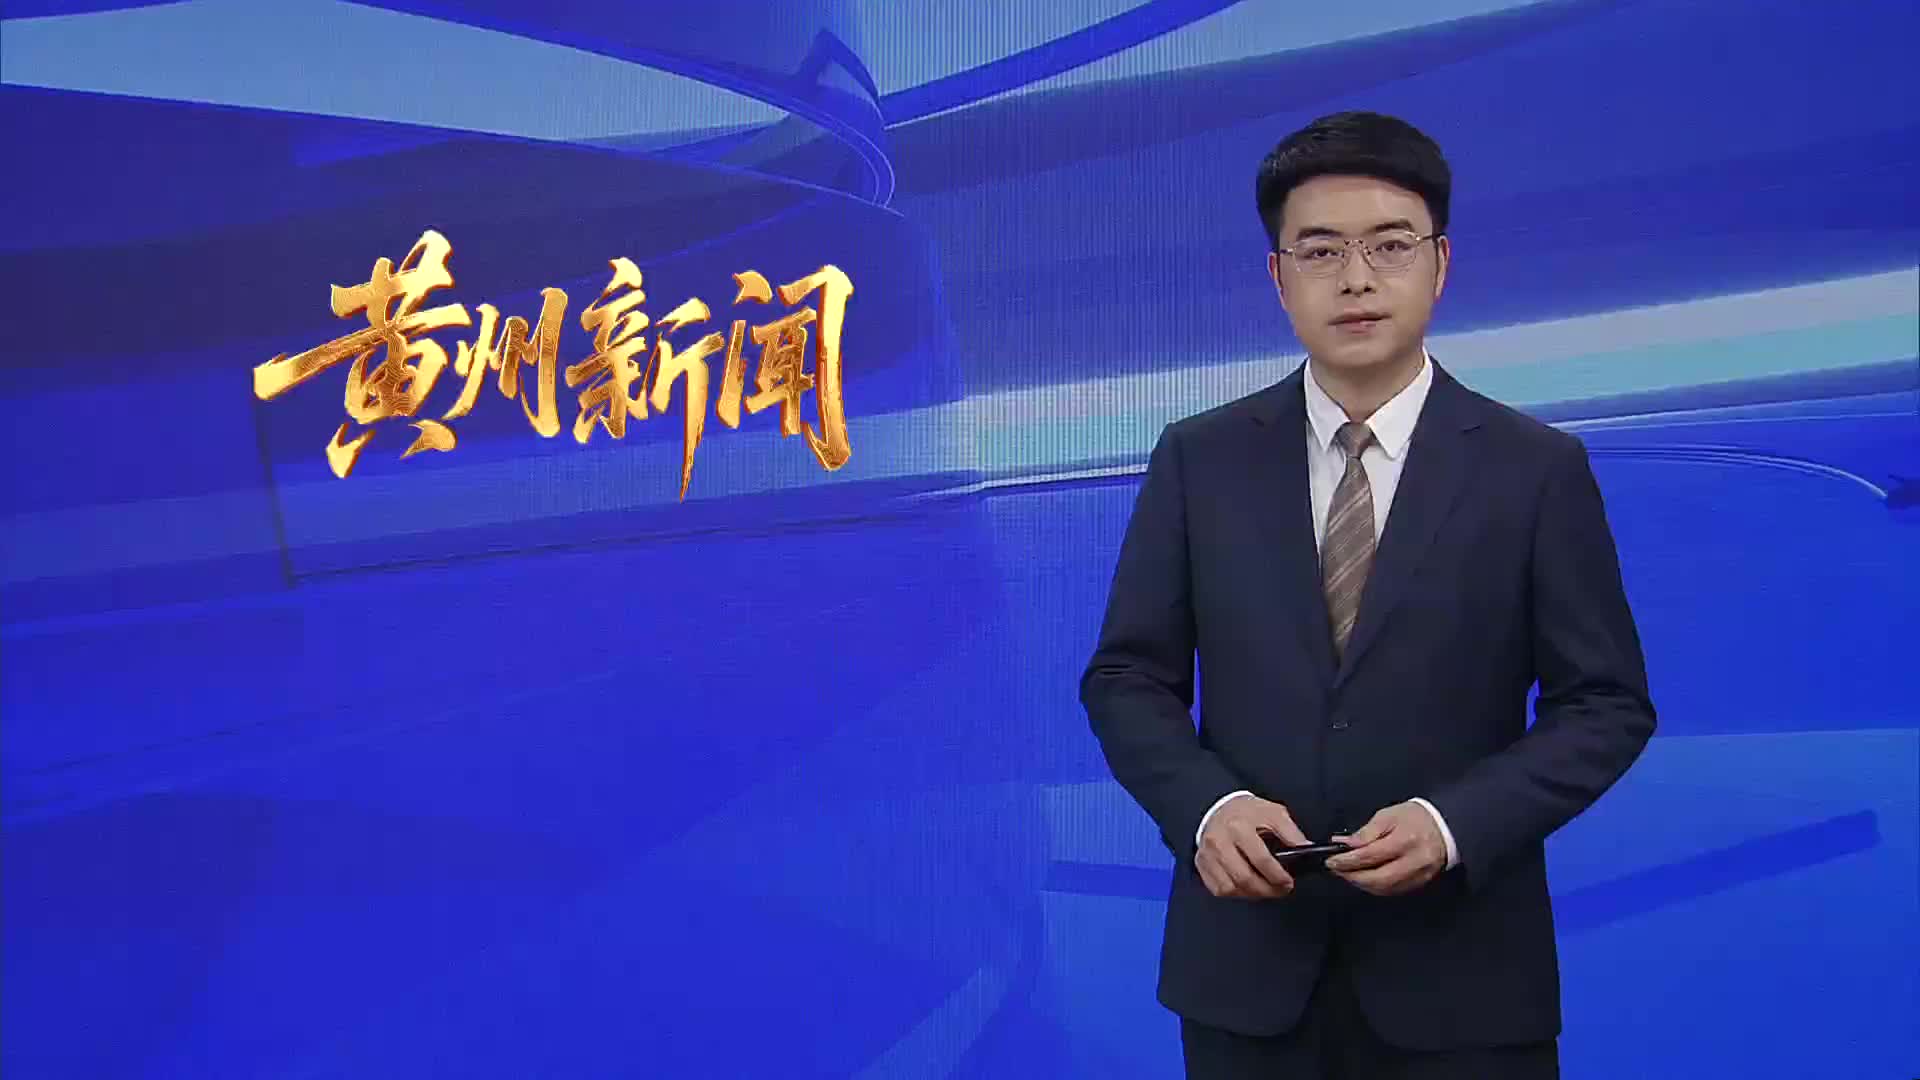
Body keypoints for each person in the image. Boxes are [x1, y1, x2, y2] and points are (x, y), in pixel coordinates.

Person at [1079, 110, 1657, 1079]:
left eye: (1390, 246)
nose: (1356, 278)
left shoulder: (1534, 470)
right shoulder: (1199, 460)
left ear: (1440, 263)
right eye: (1321, 251)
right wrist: (1208, 809)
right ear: (1279, 278)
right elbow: (1127, 677)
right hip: (1248, 979)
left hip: (1465, 982)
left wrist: (1454, 824)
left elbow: (1605, 705)